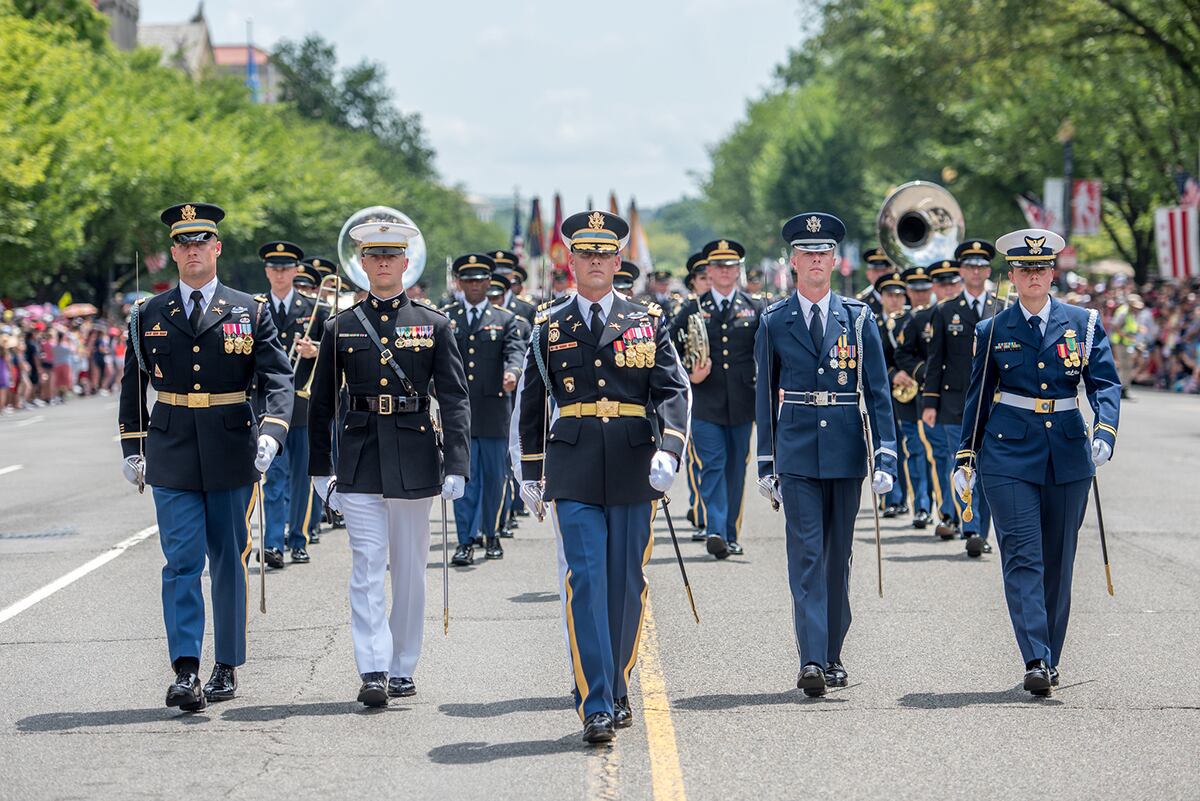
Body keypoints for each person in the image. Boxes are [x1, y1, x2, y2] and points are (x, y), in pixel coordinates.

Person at [517, 209, 690, 744]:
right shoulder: (548, 323)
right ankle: (595, 700)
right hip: (572, 464)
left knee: (626, 582)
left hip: (636, 461)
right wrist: (529, 471)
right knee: (586, 579)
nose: (595, 262)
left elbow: (673, 390)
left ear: (618, 260)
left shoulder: (648, 320)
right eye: (585, 254)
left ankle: (617, 685)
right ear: (571, 260)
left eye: (604, 254)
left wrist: (671, 449)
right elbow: (530, 402)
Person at [118, 202, 293, 711]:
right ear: (173, 252)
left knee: (228, 558)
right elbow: (134, 387)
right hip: (171, 449)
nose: (192, 250)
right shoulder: (147, 314)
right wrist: (133, 445)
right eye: (183, 243)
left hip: (231, 445)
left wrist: (274, 430)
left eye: (201, 242)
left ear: (217, 248)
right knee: (181, 561)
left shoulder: (249, 310)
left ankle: (227, 663)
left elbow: (278, 377)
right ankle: (186, 669)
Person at [308, 218, 470, 707]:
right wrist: (320, 468)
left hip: (416, 456)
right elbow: (320, 403)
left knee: (408, 570)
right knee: (366, 567)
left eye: (391, 255)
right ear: (362, 263)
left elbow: (455, 398)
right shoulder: (339, 327)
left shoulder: (434, 323)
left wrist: (457, 463)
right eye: (373, 255)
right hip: (359, 459)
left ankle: (403, 665)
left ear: (405, 262)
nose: (382, 262)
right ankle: (373, 666)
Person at [952, 228, 1120, 696]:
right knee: (1023, 555)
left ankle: (1050, 653)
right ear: (1013, 274)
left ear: (1053, 273)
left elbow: (1105, 383)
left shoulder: (1083, 323)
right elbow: (978, 397)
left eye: (1041, 268)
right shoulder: (993, 330)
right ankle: (1036, 658)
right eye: (1025, 269)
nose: (1033, 276)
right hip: (1007, 454)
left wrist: (1105, 429)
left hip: (1067, 452)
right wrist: (965, 457)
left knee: (1058, 559)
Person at [755, 212, 897, 698]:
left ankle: (834, 652)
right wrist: (766, 462)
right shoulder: (774, 320)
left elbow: (877, 392)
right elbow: (763, 395)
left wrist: (885, 455)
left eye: (824, 253)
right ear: (793, 262)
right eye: (807, 254)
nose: (816, 261)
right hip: (795, 452)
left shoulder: (857, 318)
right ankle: (811, 658)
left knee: (838, 557)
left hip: (844, 450)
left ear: (835, 261)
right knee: (807, 556)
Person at [669, 238, 762, 559]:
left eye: (731, 266)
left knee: (736, 469)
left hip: (742, 402)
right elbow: (668, 356)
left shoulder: (754, 308)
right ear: (709, 270)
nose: (725, 271)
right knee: (713, 465)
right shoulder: (691, 309)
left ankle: (731, 534)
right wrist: (689, 374)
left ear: (738, 270)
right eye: (719, 267)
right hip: (705, 403)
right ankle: (716, 530)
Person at [442, 254, 524, 564]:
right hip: (460, 413)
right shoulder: (447, 318)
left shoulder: (504, 319)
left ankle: (491, 533)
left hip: (493, 412)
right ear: (460, 284)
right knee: (462, 478)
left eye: (480, 280)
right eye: (469, 280)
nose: (475, 286)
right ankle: (465, 540)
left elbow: (514, 351)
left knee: (494, 478)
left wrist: (513, 373)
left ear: (489, 283)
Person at [923, 241, 999, 556]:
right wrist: (930, 402)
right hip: (956, 402)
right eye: (970, 266)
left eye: (981, 266)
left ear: (988, 271)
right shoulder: (946, 310)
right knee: (964, 466)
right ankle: (971, 528)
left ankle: (981, 530)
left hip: (995, 402)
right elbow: (935, 359)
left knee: (988, 468)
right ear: (961, 271)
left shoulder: (1003, 307)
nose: (976, 271)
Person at [257, 241, 325, 567]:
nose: (280, 273)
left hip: (303, 406)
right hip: (269, 406)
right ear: (267, 271)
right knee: (274, 477)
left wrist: (317, 351)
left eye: (285, 268)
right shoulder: (254, 309)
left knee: (301, 477)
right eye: (274, 268)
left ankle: (298, 537)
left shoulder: (315, 309)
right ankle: (272, 543)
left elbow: (338, 352)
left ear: (296, 271)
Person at [875, 271, 912, 518]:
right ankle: (890, 498)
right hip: (884, 391)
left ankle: (906, 499)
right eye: (890, 295)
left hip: (908, 391)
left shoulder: (910, 321)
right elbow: (872, 359)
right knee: (887, 444)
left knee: (910, 447)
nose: (895, 300)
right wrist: (892, 374)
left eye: (899, 295)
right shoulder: (873, 323)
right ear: (882, 297)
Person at [856, 247, 893, 315]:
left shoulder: (907, 298)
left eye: (884, 270)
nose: (880, 275)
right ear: (868, 274)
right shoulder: (861, 304)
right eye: (876, 271)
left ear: (891, 271)